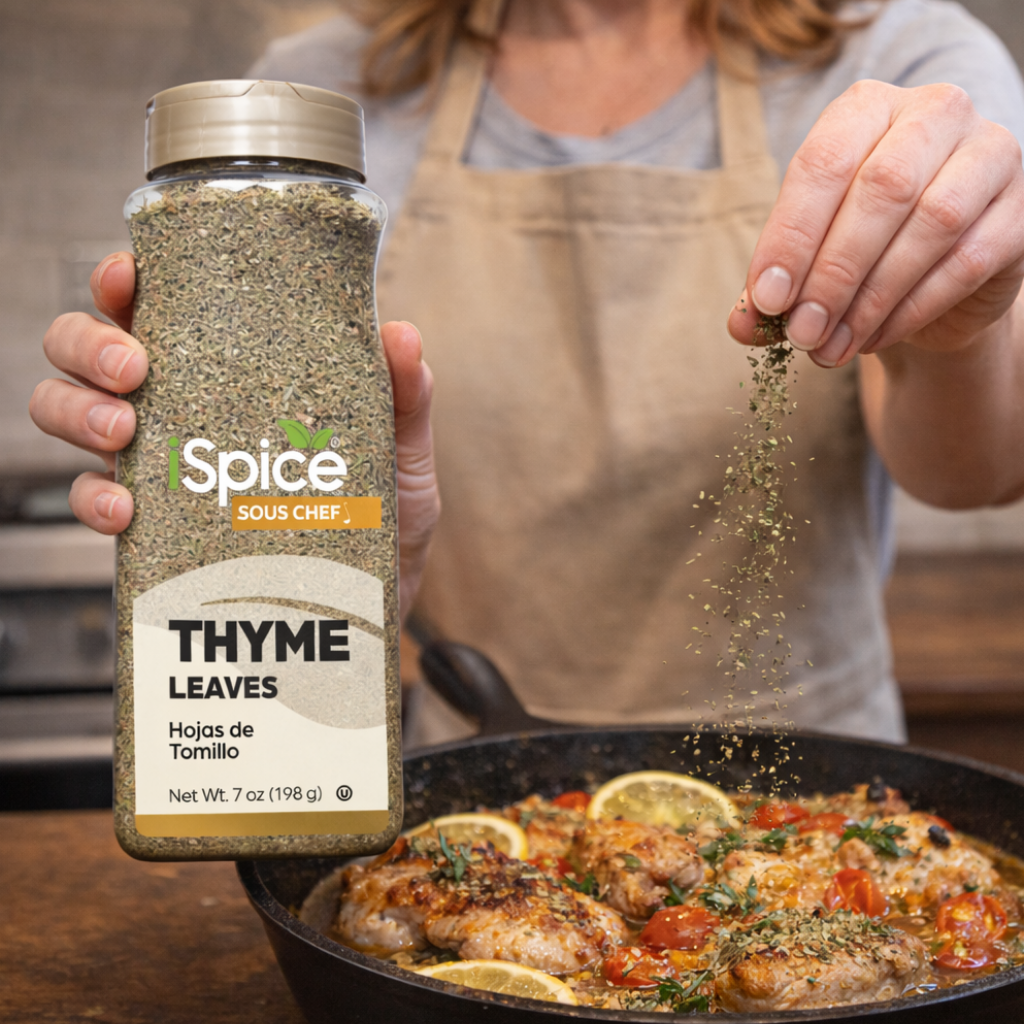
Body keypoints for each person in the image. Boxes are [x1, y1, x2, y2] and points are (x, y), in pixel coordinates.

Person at [31, 0, 1024, 748]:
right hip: (471, 780)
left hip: (810, 781)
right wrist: (206, 471)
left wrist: (955, 336)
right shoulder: (321, 99)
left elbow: (972, 473)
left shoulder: (895, 65)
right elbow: (295, 496)